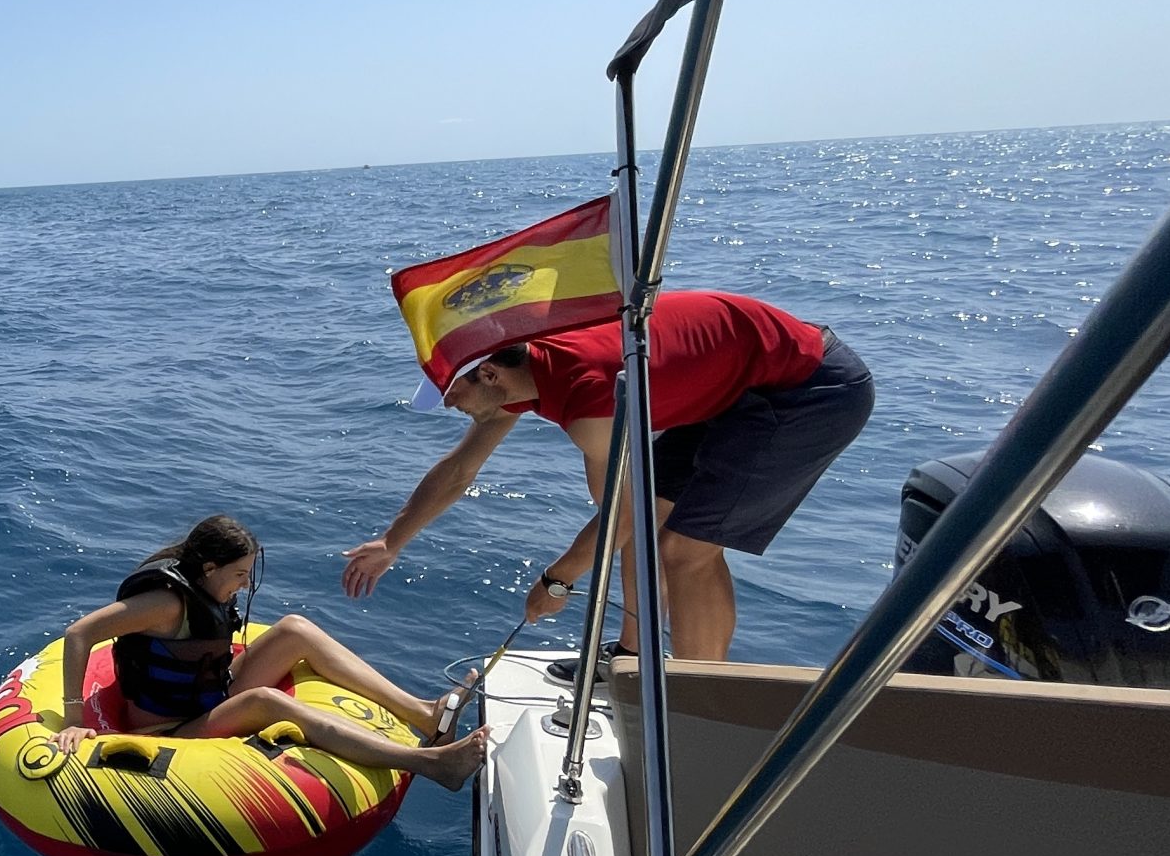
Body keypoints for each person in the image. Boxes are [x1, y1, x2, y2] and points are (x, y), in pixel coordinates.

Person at [340, 291, 874, 663]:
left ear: (488, 373)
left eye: (450, 392)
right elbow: (460, 469)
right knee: (639, 524)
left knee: (684, 551)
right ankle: (634, 656)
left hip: (806, 388)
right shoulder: (523, 376)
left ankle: (700, 696)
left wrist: (557, 581)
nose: (449, 404)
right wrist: (393, 541)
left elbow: (620, 514)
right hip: (734, 389)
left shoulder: (589, 401)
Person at [56, 515, 486, 788]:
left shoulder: (205, 587)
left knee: (295, 629)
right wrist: (74, 719)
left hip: (208, 696)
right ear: (209, 568)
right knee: (266, 701)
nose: (245, 584)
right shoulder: (164, 603)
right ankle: (427, 763)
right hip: (169, 730)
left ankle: (423, 713)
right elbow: (80, 634)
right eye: (239, 574)